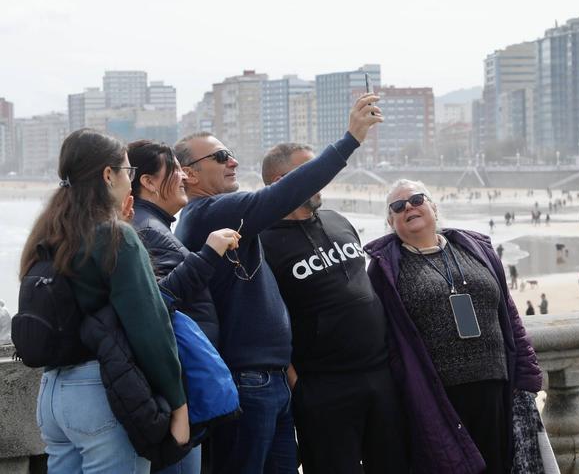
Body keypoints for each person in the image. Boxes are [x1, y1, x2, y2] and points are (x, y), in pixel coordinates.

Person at [173, 94, 381, 473]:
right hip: (248, 382)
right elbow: (280, 195)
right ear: (188, 173)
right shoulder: (205, 213)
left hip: (270, 382)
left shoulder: (224, 213)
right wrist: (349, 139)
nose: (233, 161)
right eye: (220, 157)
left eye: (231, 153)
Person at [23, 129, 189, 472]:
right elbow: (150, 328)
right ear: (108, 175)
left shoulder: (49, 233)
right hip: (101, 394)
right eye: (127, 172)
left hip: (53, 395)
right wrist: (179, 404)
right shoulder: (114, 236)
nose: (130, 182)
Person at [365, 179, 542, 473]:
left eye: (417, 199)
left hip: (495, 387)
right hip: (436, 397)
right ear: (391, 221)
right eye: (398, 206)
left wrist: (527, 375)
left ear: (433, 206)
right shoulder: (385, 269)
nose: (409, 206)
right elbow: (384, 336)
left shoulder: (475, 248)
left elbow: (509, 314)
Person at [259, 144, 409, 473]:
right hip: (323, 389)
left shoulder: (337, 220)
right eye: (313, 172)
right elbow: (262, 322)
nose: (322, 179)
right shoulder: (263, 242)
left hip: (379, 376)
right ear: (281, 181)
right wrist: (300, 387)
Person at [127, 140, 243, 474]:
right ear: (148, 181)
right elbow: (156, 304)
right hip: (177, 391)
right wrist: (208, 254)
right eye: (175, 169)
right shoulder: (150, 231)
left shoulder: (152, 226)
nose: (183, 177)